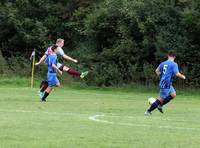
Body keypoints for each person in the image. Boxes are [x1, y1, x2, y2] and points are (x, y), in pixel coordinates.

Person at [145, 50, 186, 115]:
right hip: (166, 83)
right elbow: (177, 74)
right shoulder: (174, 64)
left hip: (167, 83)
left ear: (168, 56)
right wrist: (183, 76)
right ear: (174, 57)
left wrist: (162, 76)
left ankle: (160, 105)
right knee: (160, 99)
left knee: (173, 95)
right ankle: (148, 111)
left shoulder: (163, 63)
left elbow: (156, 71)